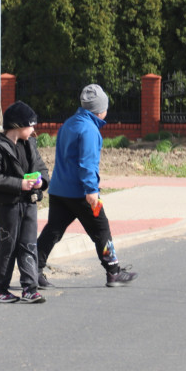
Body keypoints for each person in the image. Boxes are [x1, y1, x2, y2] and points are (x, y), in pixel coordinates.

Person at [37, 84, 138, 287]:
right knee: (101, 229)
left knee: (53, 230)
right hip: (80, 192)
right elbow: (87, 163)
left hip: (59, 189)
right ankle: (113, 272)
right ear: (100, 109)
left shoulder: (69, 123)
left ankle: (33, 269)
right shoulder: (90, 130)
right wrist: (91, 191)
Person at [0, 100, 49, 304]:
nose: (34, 130)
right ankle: (0, 288)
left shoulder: (30, 145)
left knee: (29, 244)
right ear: (18, 126)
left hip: (29, 203)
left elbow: (41, 168)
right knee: (7, 245)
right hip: (7, 205)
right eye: (31, 125)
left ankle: (30, 288)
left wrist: (40, 182)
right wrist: (20, 184)